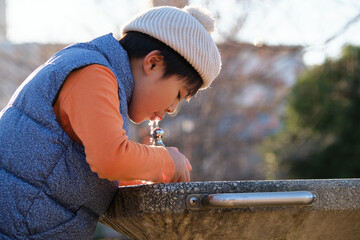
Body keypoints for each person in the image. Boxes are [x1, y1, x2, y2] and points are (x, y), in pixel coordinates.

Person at [0, 5, 221, 239]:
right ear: (153, 63)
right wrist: (167, 162)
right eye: (178, 94)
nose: (172, 109)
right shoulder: (94, 74)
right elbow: (110, 158)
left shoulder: (100, 73)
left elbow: (89, 173)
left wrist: (150, 174)